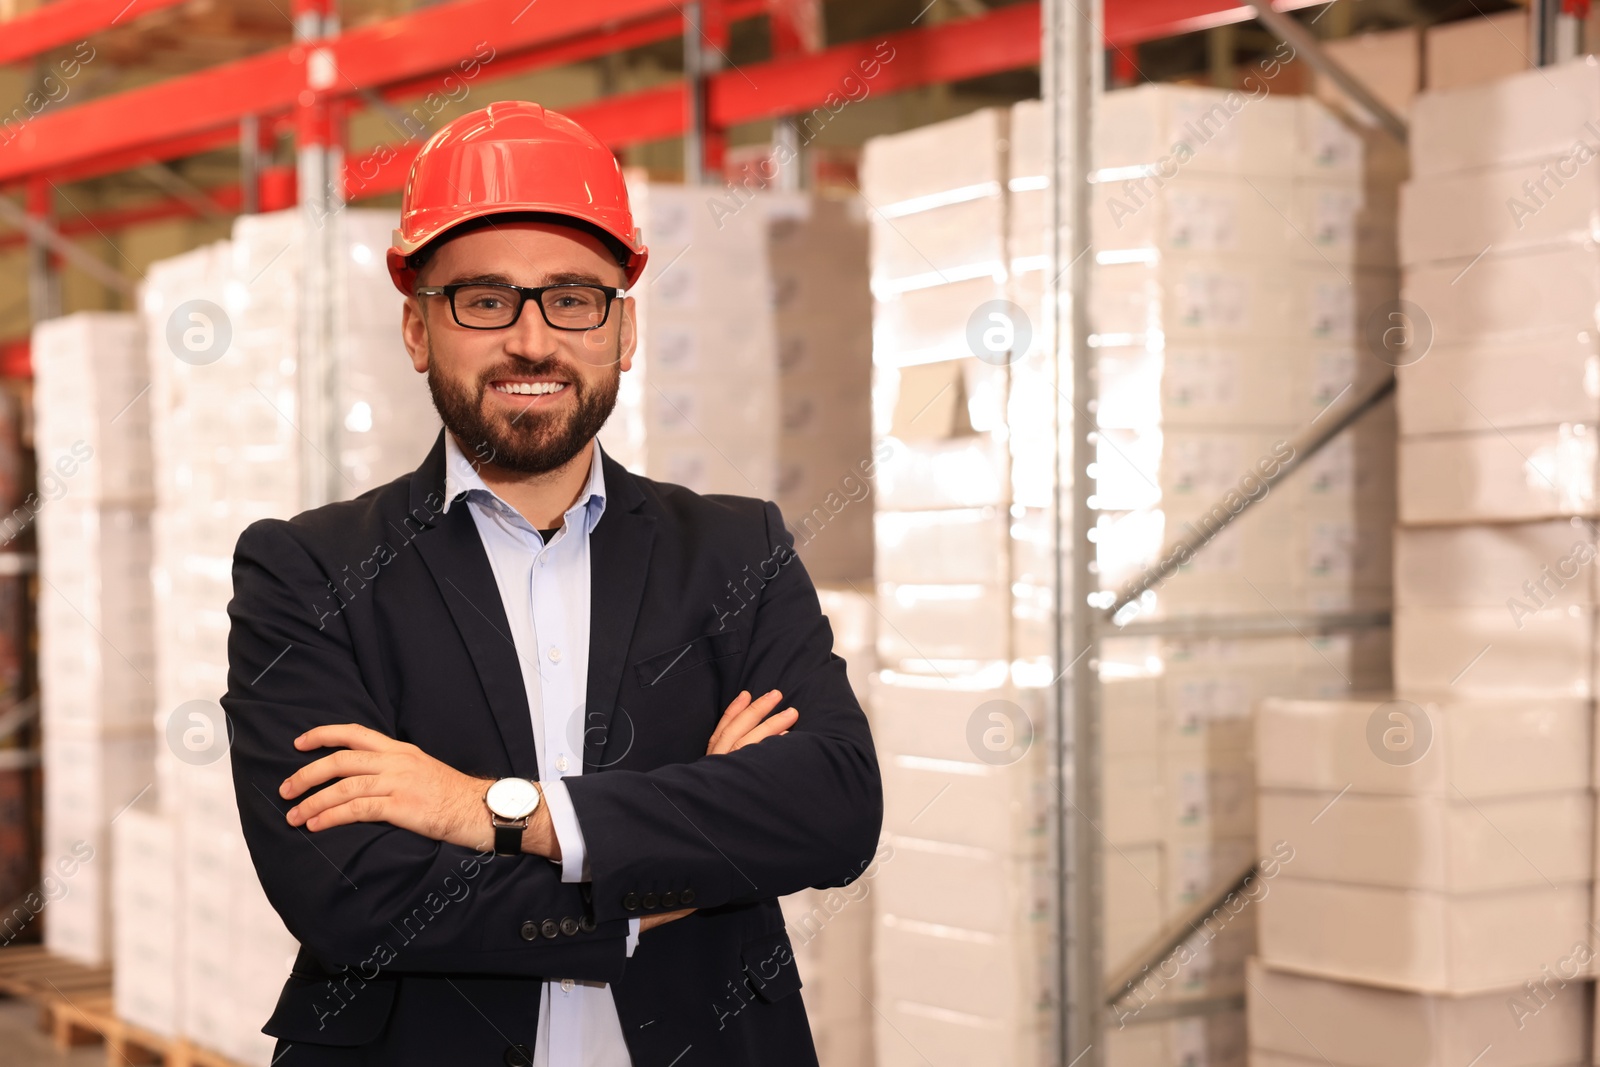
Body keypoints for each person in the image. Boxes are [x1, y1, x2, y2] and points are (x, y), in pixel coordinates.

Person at [221, 100, 883, 1067]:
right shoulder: (307, 570)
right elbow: (353, 896)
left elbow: (830, 808)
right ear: (417, 328)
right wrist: (681, 870)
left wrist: (485, 808)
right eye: (484, 299)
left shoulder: (738, 552)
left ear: (624, 329)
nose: (532, 340)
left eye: (574, 297)